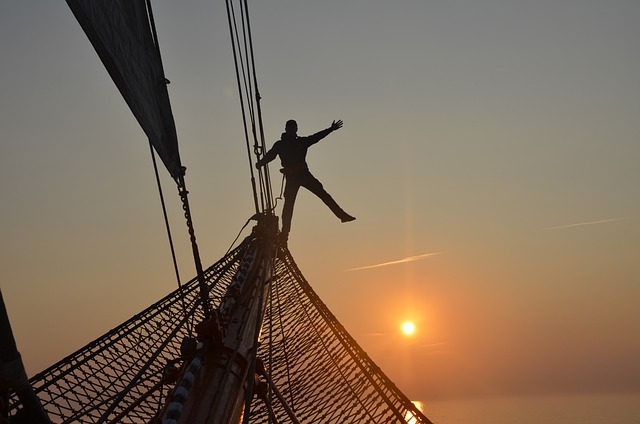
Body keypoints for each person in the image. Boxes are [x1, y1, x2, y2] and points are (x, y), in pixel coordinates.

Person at [256, 119, 355, 243]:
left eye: (293, 128)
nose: (292, 130)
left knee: (323, 194)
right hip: (292, 178)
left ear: (296, 129)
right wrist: (260, 163)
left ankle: (342, 216)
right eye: (290, 128)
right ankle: (284, 234)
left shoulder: (301, 142)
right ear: (286, 129)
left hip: (304, 175)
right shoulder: (280, 145)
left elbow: (316, 137)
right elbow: (271, 155)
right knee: (288, 206)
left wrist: (330, 129)